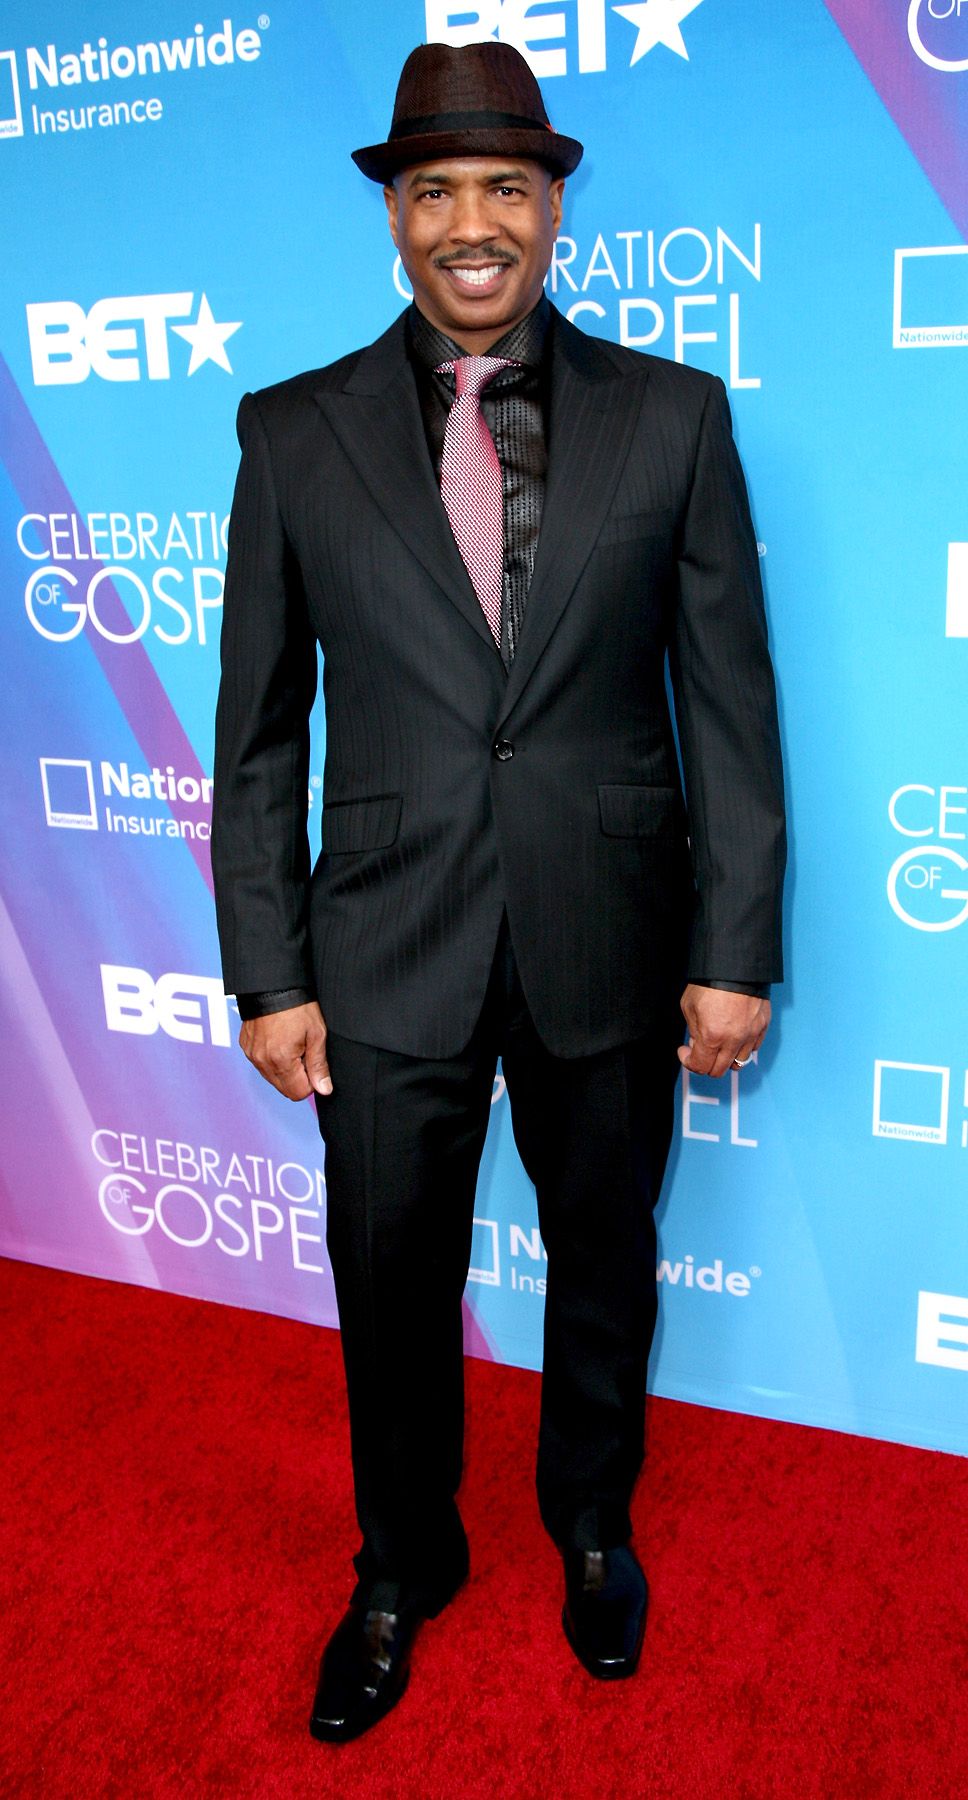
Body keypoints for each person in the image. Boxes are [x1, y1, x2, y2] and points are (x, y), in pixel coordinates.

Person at [212, 38, 785, 1745]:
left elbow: (731, 709)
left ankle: (592, 1525)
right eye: (440, 189)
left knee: (608, 1256)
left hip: (612, 937)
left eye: (509, 189)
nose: (476, 221)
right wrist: (266, 969)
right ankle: (401, 1565)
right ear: (397, 216)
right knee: (387, 1276)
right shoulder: (290, 431)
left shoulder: (673, 417)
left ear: (552, 211)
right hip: (379, 945)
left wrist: (732, 949)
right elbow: (254, 733)